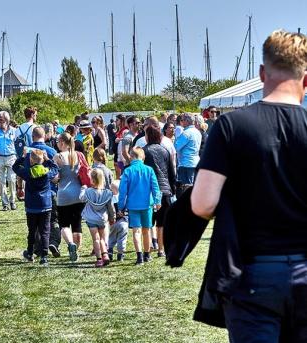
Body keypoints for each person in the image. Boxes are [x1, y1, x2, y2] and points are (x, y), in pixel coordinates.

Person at [191, 30, 307, 342]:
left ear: (261, 74)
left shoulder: (231, 126)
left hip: (251, 271)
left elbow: (201, 204)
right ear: (306, 80)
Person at [12, 148, 59, 266]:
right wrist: (48, 159)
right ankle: (44, 255)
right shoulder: (47, 172)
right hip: (45, 205)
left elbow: (15, 167)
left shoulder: (28, 173)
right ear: (42, 160)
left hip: (32, 206)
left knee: (32, 230)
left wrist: (23, 157)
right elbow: (55, 168)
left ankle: (30, 252)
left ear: (31, 161)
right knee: (45, 231)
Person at [117, 147, 161, 265]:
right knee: (146, 230)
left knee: (136, 231)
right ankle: (147, 254)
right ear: (143, 157)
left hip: (133, 205)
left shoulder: (127, 171)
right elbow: (155, 188)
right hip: (147, 204)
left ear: (131, 157)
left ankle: (139, 257)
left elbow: (122, 192)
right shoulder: (149, 170)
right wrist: (157, 201)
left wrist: (121, 207)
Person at [142, 126, 175, 258]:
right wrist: (172, 189)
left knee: (148, 221)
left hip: (149, 191)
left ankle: (149, 247)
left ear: (148, 136)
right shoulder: (165, 150)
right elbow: (171, 172)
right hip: (165, 190)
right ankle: (161, 249)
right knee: (162, 223)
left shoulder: (144, 151)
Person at [53, 133, 85, 262]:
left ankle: (70, 244)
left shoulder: (58, 156)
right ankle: (76, 251)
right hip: (78, 194)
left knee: (64, 224)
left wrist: (55, 180)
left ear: (62, 142)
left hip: (63, 194)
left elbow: (55, 178)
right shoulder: (79, 155)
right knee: (77, 225)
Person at [30, 127, 61, 257]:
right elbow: (57, 172)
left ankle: (38, 248)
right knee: (53, 220)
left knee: (35, 222)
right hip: (50, 191)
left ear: (32, 137)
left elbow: (20, 172)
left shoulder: (28, 151)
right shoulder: (51, 151)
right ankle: (53, 242)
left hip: (32, 192)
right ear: (45, 136)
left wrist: (19, 187)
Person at [79, 169, 115, 267]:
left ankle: (99, 259)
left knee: (95, 239)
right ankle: (105, 255)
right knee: (103, 238)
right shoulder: (107, 193)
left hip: (91, 218)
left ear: (92, 180)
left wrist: (83, 189)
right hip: (102, 218)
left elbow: (81, 199)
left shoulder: (88, 191)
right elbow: (110, 207)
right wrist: (112, 218)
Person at [15, 107, 37, 201]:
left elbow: (15, 141)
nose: (36, 116)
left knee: (21, 172)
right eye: (36, 114)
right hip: (31, 153)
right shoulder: (34, 127)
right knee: (32, 173)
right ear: (32, 115)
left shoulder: (19, 128)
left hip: (20, 153)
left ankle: (20, 190)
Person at [174, 113, 202, 190]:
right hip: (195, 162)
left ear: (187, 121)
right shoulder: (197, 131)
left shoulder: (186, 133)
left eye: (182, 120)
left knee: (185, 189)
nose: (181, 122)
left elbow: (176, 147)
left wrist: (176, 138)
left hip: (186, 164)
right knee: (193, 187)